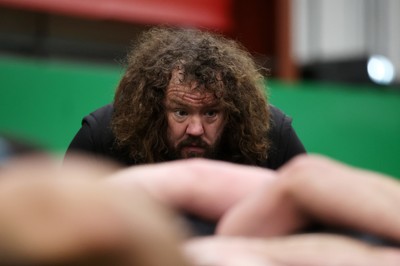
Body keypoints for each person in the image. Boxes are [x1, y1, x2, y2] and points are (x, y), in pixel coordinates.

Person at [65, 26, 305, 169]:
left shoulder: (269, 134)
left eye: (211, 113)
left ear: (232, 111)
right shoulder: (104, 135)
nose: (195, 129)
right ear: (154, 108)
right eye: (181, 112)